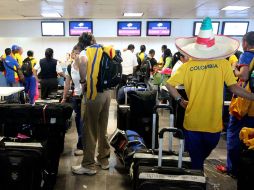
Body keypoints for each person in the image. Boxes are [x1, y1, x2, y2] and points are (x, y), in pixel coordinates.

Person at [166, 17, 254, 170]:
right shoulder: (223, 64)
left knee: (196, 157)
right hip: (213, 124)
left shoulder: (187, 66)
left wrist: (180, 100)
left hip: (192, 121)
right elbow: (234, 88)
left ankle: (195, 174)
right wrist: (252, 96)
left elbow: (169, 84)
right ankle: (197, 176)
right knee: (200, 157)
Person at [71, 32, 114, 175]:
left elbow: (83, 62)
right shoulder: (102, 50)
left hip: (93, 94)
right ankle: (103, 159)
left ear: (81, 42)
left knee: (89, 128)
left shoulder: (85, 52)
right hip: (107, 93)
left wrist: (83, 82)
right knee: (102, 127)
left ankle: (88, 165)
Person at [225, 31, 254, 177]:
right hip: (253, 109)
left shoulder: (247, 55)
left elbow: (243, 75)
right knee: (251, 139)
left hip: (243, 105)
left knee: (235, 136)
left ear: (245, 43)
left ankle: (234, 169)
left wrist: (234, 68)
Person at [61, 45, 83, 156]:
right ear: (72, 54)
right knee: (79, 120)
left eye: (79, 52)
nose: (77, 55)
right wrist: (64, 98)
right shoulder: (70, 67)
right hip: (76, 97)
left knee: (84, 121)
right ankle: (81, 144)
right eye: (75, 53)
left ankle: (84, 145)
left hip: (87, 97)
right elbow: (67, 84)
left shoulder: (87, 65)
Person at [171, 52, 189, 133]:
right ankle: (179, 132)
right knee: (180, 113)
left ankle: (180, 130)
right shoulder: (180, 66)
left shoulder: (181, 65)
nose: (188, 59)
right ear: (181, 57)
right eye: (187, 57)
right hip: (180, 90)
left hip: (181, 90)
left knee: (181, 112)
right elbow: (179, 82)